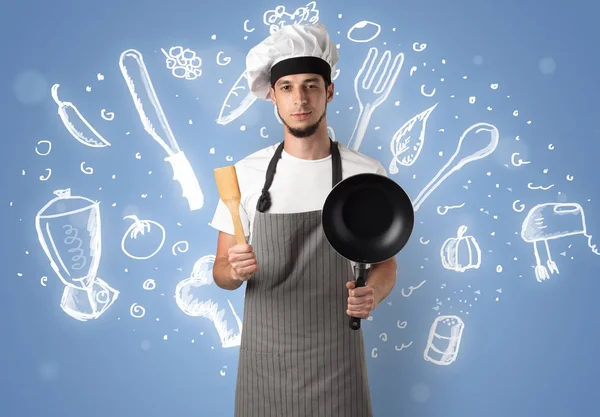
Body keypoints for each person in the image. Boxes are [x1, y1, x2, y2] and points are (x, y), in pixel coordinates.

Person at [209, 22, 398, 417]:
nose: (300, 99)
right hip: (266, 363)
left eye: (311, 85)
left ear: (329, 92)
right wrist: (234, 270)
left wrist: (373, 294)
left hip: (337, 362)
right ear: (272, 97)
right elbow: (221, 272)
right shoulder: (246, 174)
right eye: (288, 87)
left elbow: (385, 262)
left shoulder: (365, 175)